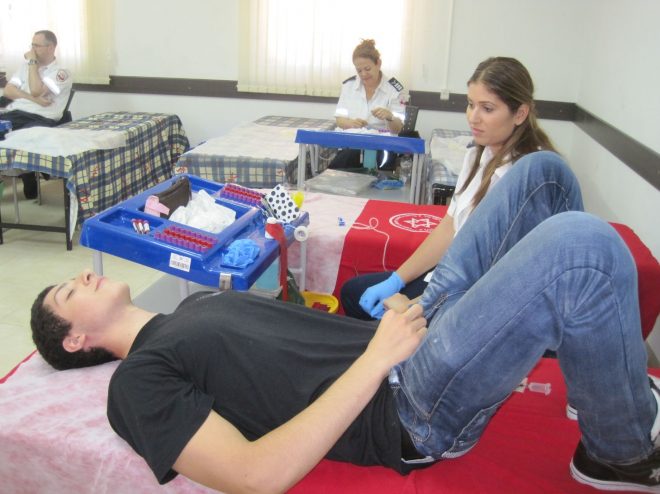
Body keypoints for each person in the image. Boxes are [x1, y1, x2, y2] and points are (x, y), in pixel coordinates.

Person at [31, 151, 660, 493]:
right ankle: (620, 454)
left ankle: (598, 390)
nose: (82, 275)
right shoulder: (135, 384)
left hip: (408, 336)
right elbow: (255, 476)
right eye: (67, 291)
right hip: (407, 403)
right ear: (77, 340)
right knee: (581, 247)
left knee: (541, 176)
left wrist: (396, 310)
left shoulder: (193, 304)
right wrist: (378, 359)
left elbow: (304, 345)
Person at [341, 56, 556, 320]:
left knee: (386, 321)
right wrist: (396, 280)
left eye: (487, 109)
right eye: (471, 104)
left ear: (520, 113)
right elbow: (450, 228)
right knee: (353, 293)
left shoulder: (530, 178)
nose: (473, 118)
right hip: (450, 276)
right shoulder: (478, 155)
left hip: (478, 299)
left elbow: (498, 277)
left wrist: (417, 307)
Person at [0, 30, 72, 199]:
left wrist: (32, 63)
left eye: (37, 46)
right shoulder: (24, 67)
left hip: (42, 118)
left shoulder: (61, 73)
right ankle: (21, 174)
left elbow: (36, 89)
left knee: (18, 138)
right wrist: (34, 99)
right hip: (17, 113)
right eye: (32, 45)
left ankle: (27, 173)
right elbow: (9, 91)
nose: (32, 50)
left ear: (51, 47)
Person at [329, 39, 407, 170]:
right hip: (353, 144)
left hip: (382, 148)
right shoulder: (349, 86)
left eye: (367, 69)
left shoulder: (395, 90)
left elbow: (397, 129)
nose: (363, 74)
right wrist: (351, 123)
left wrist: (390, 116)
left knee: (353, 162)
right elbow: (340, 120)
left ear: (378, 64)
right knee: (347, 158)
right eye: (359, 70)